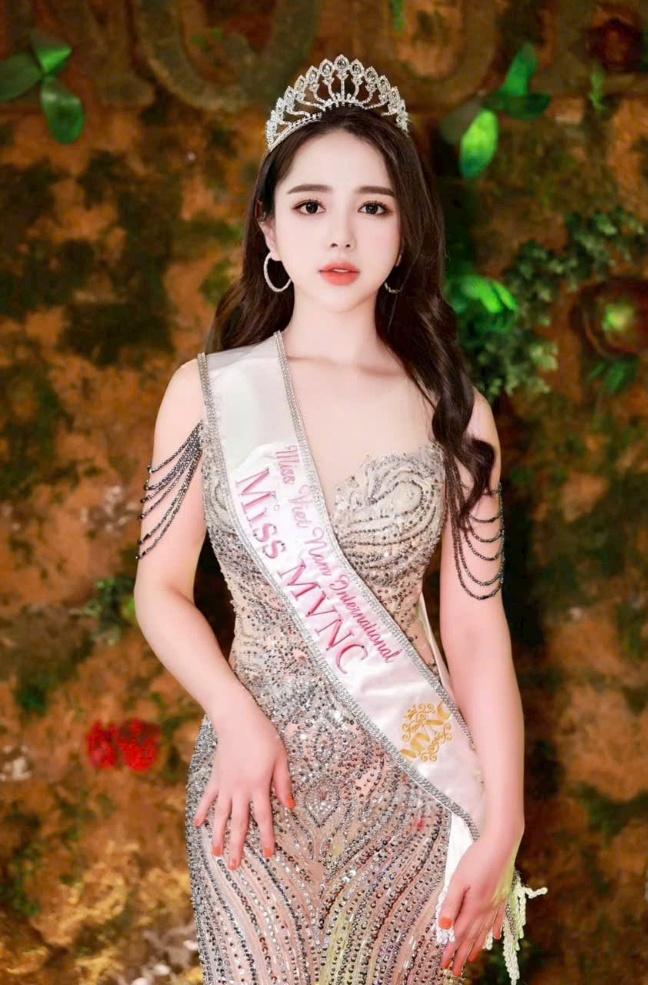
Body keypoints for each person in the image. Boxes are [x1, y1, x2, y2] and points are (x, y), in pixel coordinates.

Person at [133, 54, 546, 985]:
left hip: (413, 782)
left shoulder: (455, 412)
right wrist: (235, 715)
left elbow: (476, 632)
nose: (342, 232)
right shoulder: (207, 393)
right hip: (254, 784)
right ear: (270, 229)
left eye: (374, 205)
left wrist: (505, 821)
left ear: (406, 232)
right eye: (312, 203)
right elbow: (159, 589)